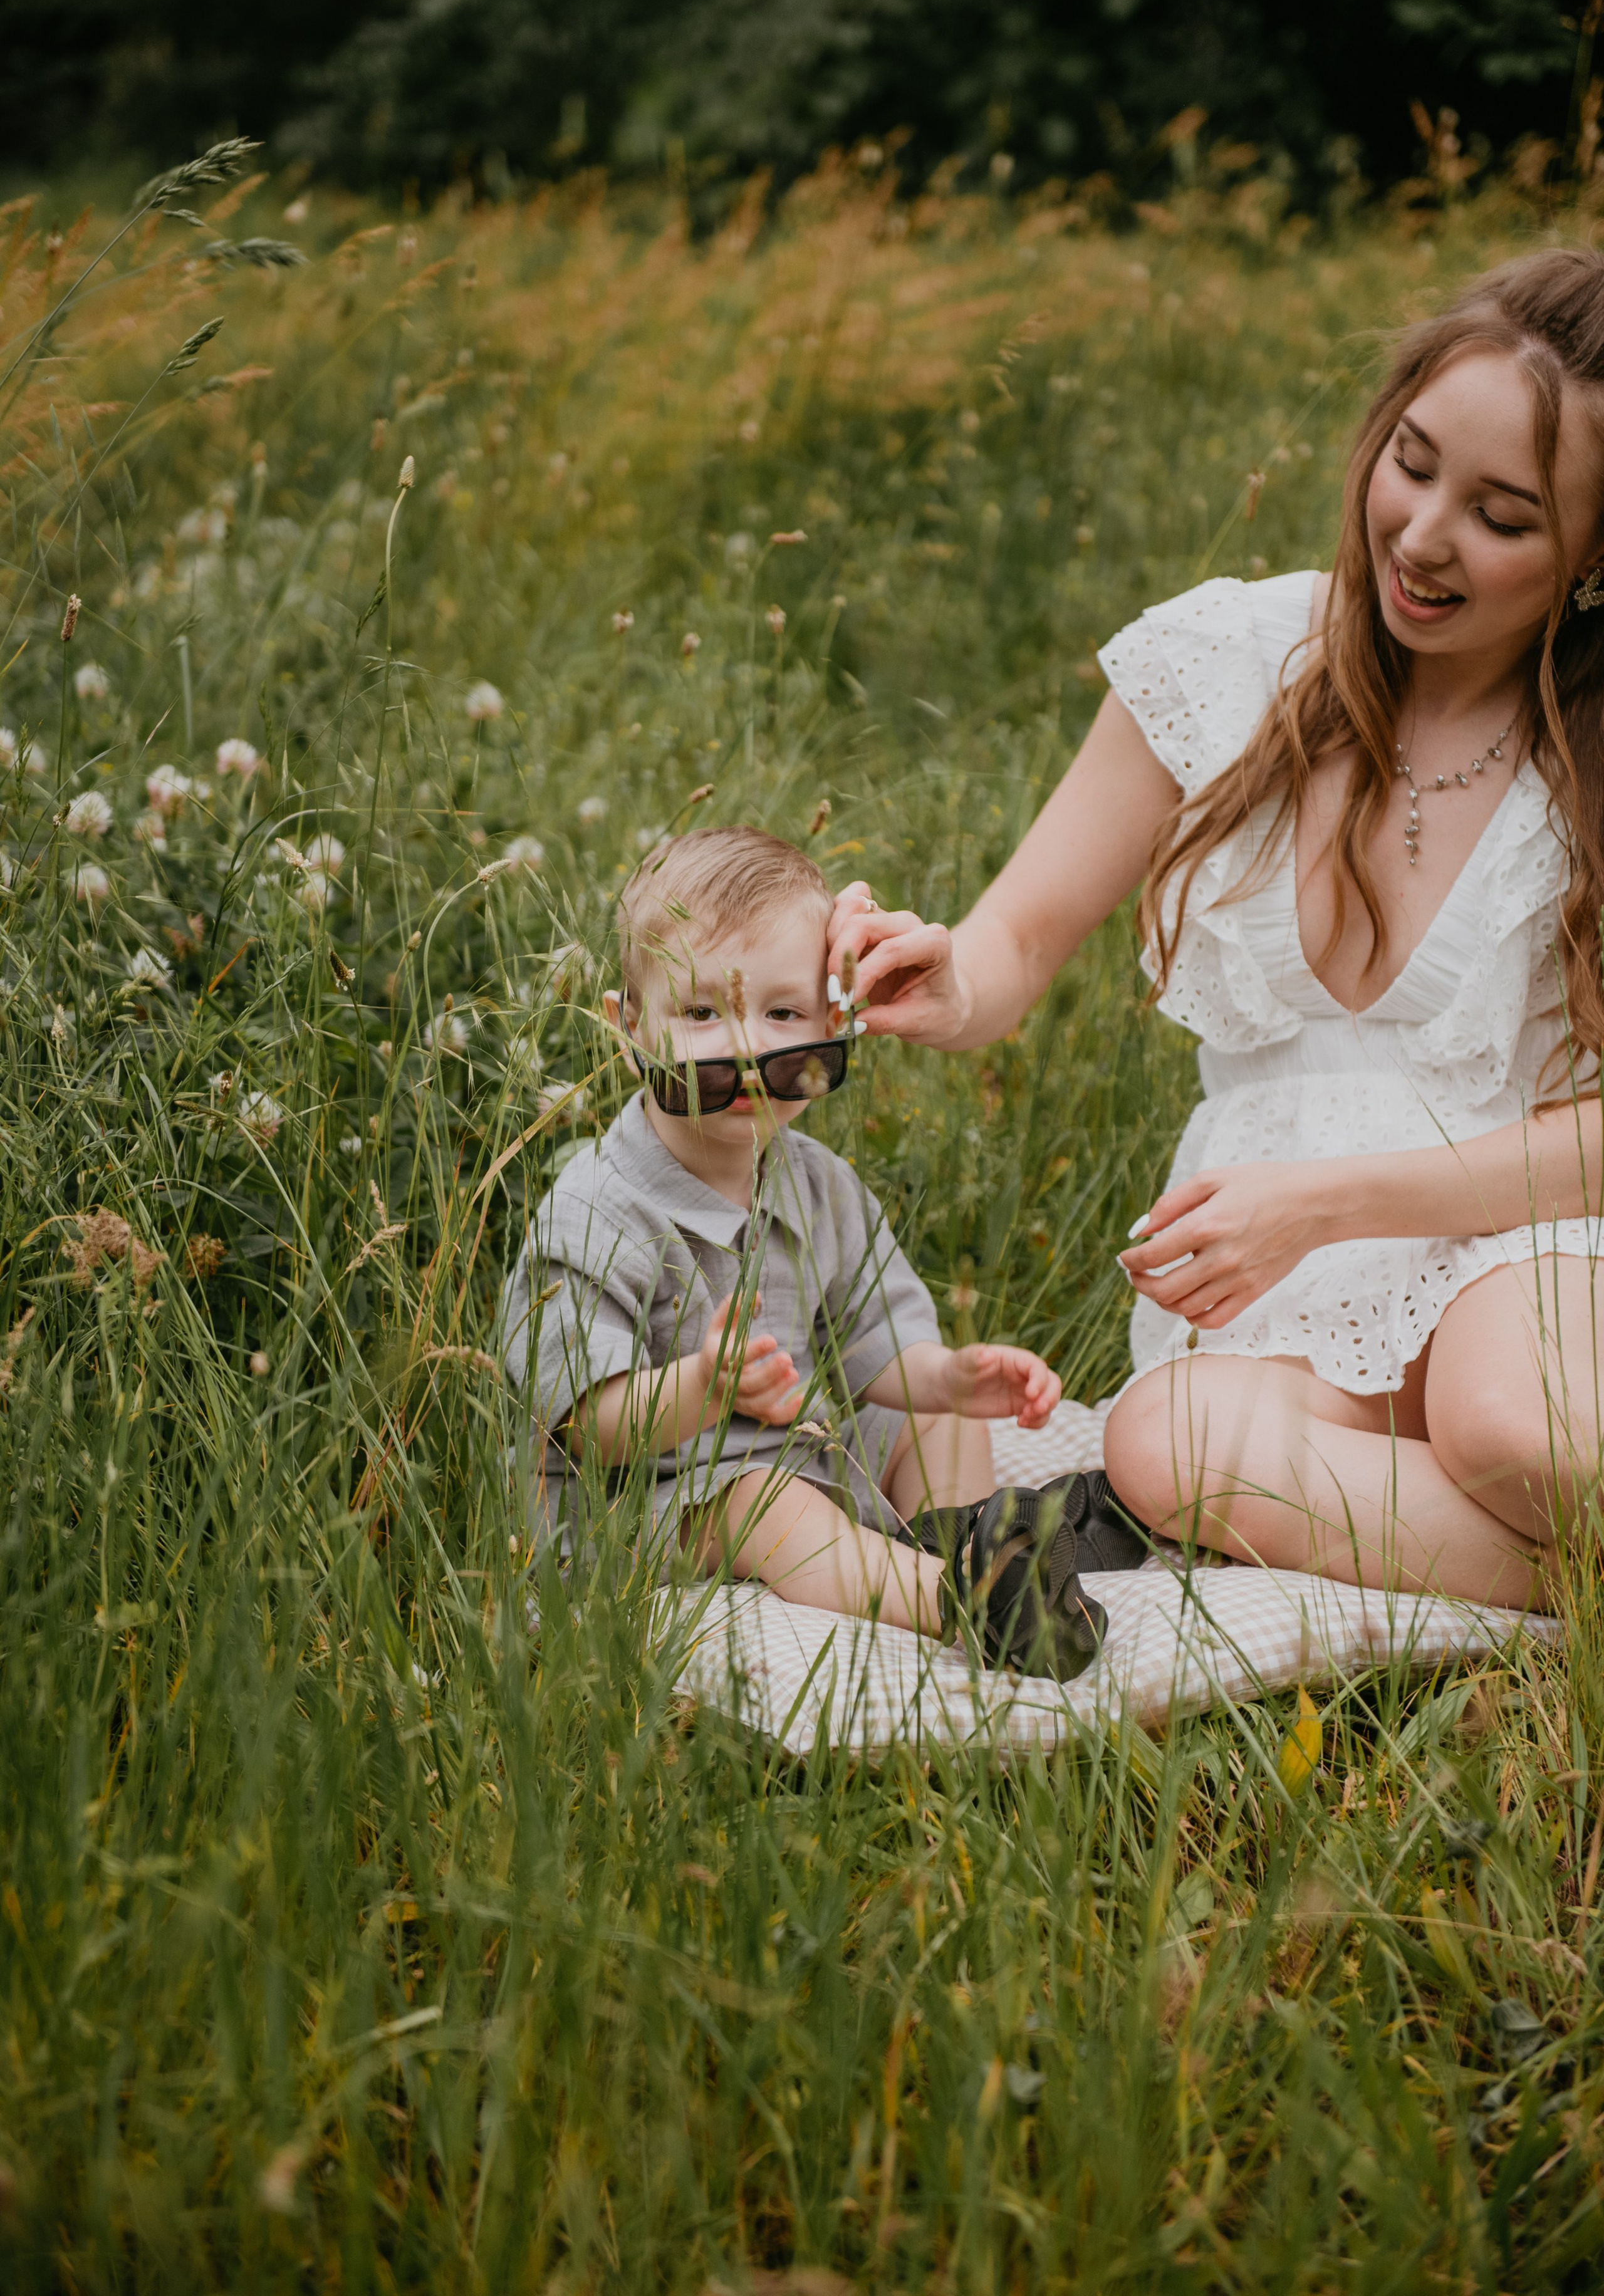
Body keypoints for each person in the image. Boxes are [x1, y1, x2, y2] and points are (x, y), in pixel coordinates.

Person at [828, 247, 1604, 1611]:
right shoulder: (1222, 660)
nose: (1421, 537)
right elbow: (1004, 954)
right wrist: (940, 974)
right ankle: (1555, 1590)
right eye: (1410, 464)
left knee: (1512, 1428)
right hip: (1263, 1273)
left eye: (1501, 515)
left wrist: (1329, 1203)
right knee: (1162, 1446)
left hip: (1530, 1228)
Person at [499, 826, 1133, 1676]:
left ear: (834, 1022)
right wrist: (702, 1387)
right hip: (645, 1501)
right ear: (628, 1030)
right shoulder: (594, 1210)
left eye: (783, 1014)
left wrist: (948, 1377)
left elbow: (877, 1343)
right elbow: (580, 1423)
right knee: (766, 1501)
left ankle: (975, 1539)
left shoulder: (817, 1183)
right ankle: (964, 1602)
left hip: (795, 1454)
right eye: (699, 1013)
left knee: (931, 1412)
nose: (750, 1050)